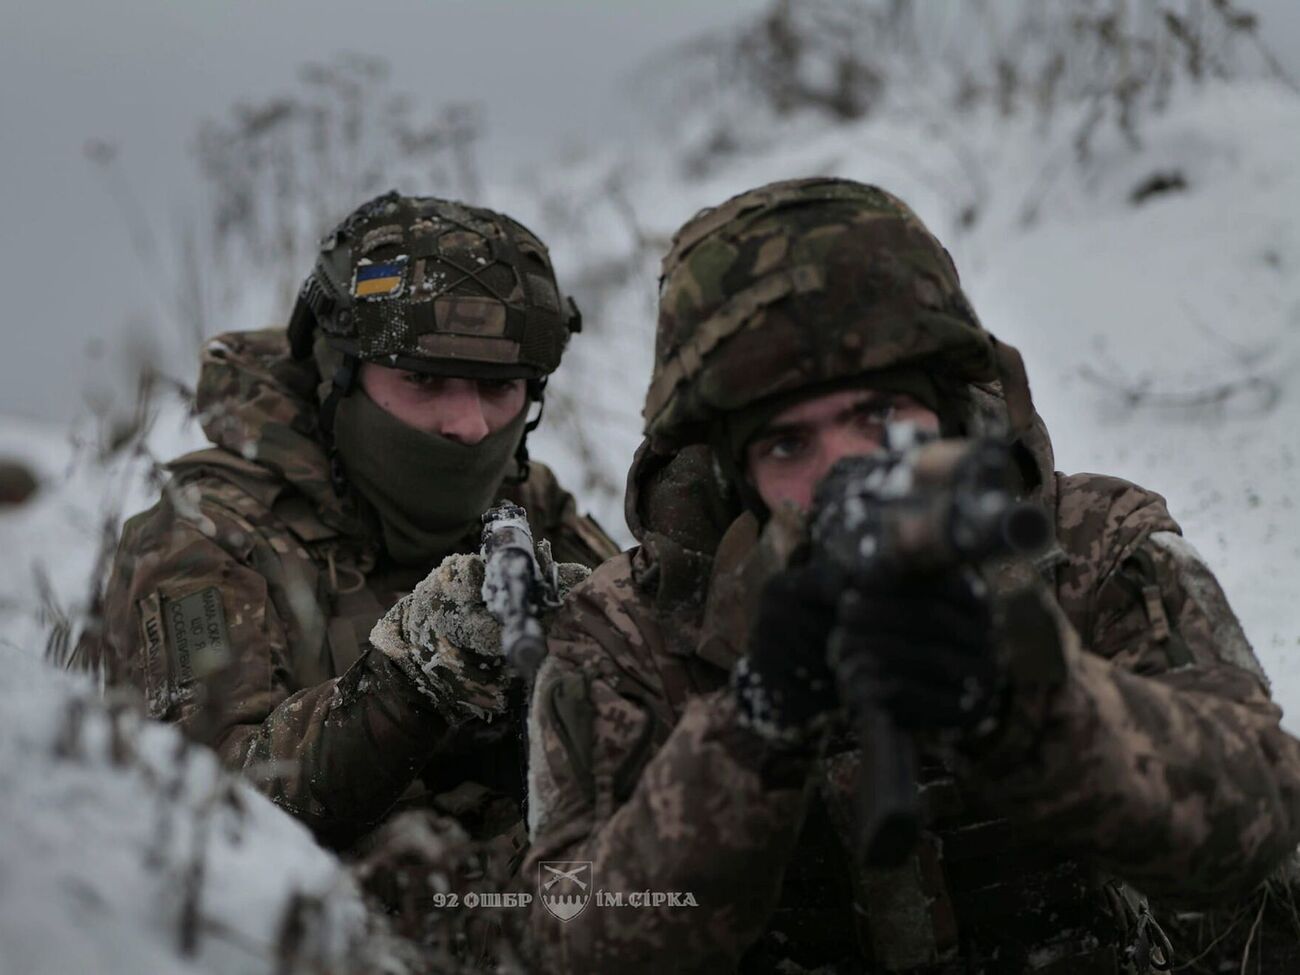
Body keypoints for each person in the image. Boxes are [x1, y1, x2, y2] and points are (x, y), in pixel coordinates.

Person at [523, 177, 1300, 973]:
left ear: (951, 410)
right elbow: (566, 937)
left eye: (882, 417)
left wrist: (1034, 706)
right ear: (731, 471)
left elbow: (1264, 823)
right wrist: (749, 734)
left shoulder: (1094, 545)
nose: (845, 470)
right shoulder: (622, 630)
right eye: (788, 444)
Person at [87, 191, 618, 854]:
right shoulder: (204, 537)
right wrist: (412, 679)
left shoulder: (529, 505)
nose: (471, 424)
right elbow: (205, 811)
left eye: (500, 386)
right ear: (339, 373)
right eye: (424, 378)